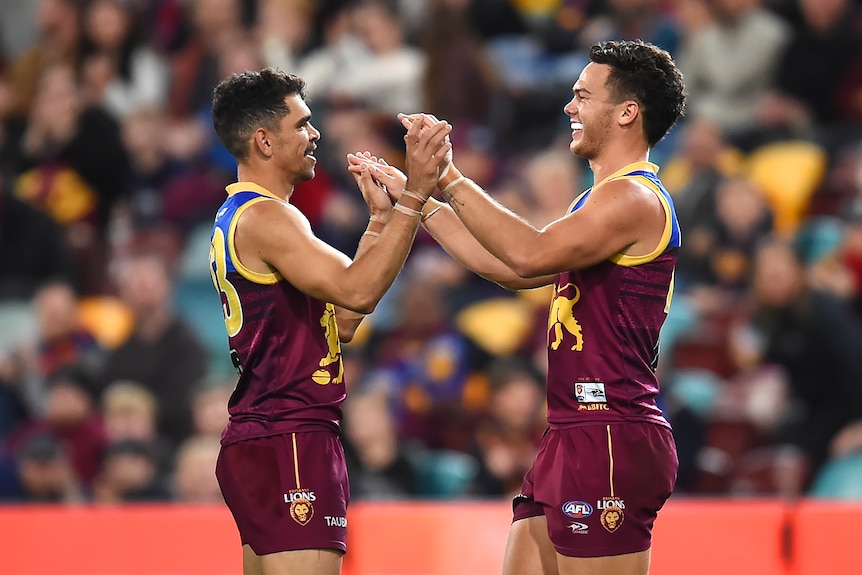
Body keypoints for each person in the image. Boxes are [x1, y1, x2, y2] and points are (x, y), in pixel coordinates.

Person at [360, 39, 686, 575]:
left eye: (583, 95)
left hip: (610, 431)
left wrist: (449, 175)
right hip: (570, 429)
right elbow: (511, 270)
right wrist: (417, 203)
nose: (569, 106)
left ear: (627, 111)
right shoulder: (597, 200)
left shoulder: (633, 199)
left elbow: (530, 253)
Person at [207, 68, 450, 575]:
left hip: (261, 433)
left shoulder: (239, 216)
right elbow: (358, 288)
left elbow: (339, 322)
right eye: (303, 123)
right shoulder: (270, 218)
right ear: (264, 141)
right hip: (292, 434)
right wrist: (415, 195)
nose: (315, 134)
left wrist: (381, 222)